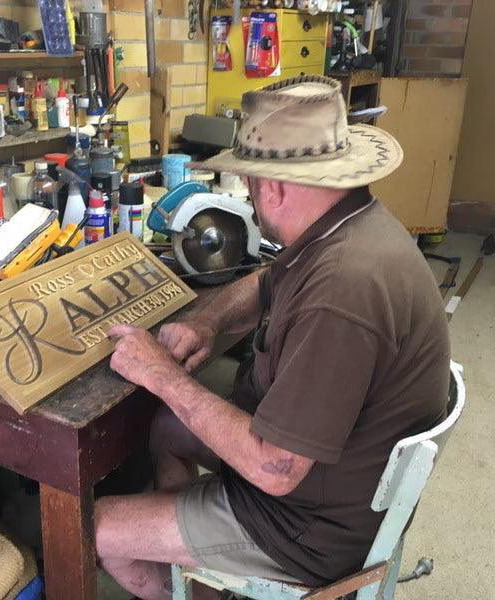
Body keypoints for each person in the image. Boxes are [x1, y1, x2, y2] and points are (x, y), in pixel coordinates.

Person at [94, 75, 451, 599]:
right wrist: (207, 322)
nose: (252, 198)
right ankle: (198, 572)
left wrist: (161, 374)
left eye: (250, 184)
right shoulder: (345, 226)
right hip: (335, 481)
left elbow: (276, 467)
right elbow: (267, 281)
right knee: (168, 428)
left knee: (100, 526)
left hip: (307, 526)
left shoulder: (343, 289)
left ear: (273, 188)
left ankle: (202, 566)